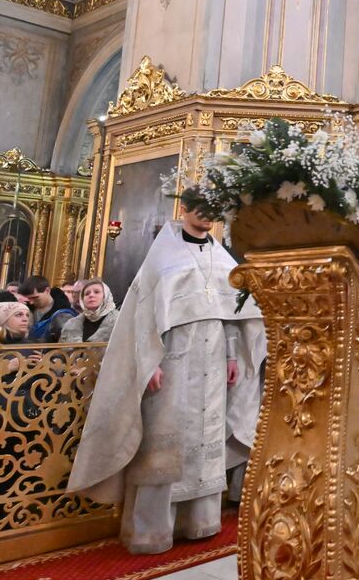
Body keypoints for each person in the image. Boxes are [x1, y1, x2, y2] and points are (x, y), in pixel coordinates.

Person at [69, 211, 267, 555]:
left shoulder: (221, 257)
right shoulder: (163, 257)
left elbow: (232, 314)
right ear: (186, 211)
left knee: (205, 436)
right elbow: (143, 315)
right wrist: (150, 362)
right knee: (165, 442)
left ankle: (199, 522)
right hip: (174, 359)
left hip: (214, 362)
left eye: (211, 210)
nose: (206, 216)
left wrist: (233, 355)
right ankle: (152, 529)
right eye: (199, 209)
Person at [59, 279, 119, 344]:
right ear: (82, 299)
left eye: (96, 292)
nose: (91, 295)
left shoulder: (119, 321)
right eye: (87, 293)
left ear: (106, 296)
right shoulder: (70, 324)